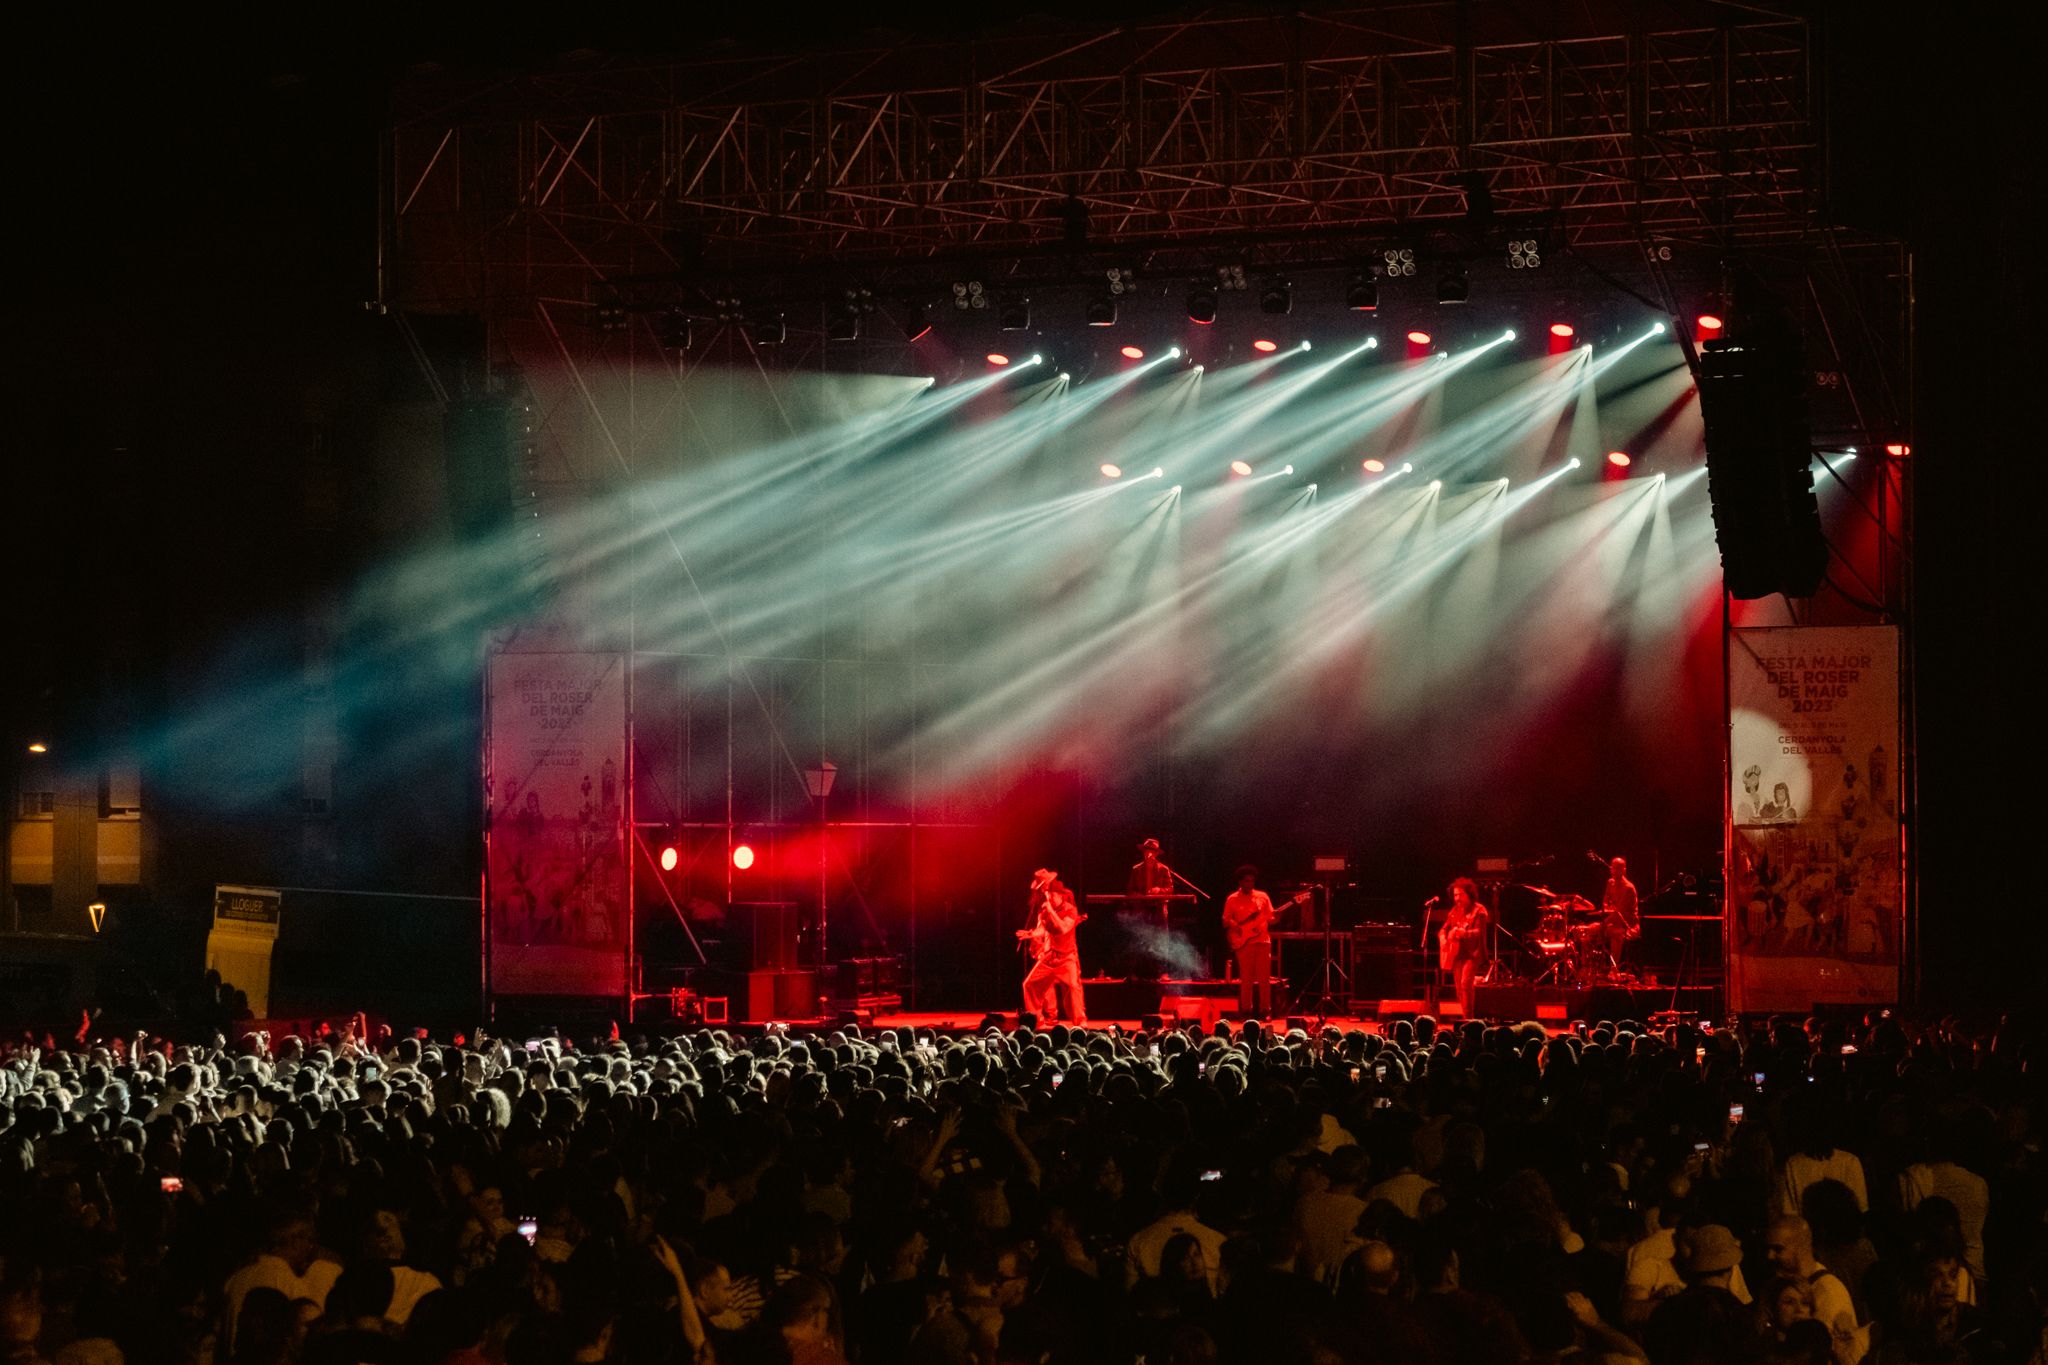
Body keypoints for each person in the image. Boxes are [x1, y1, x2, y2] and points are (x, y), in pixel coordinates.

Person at [1018, 870, 1087, 1025]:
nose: (1049, 897)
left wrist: (1051, 911)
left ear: (1060, 895)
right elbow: (1041, 929)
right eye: (1048, 894)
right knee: (1029, 984)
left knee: (1074, 988)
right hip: (1049, 955)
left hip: (1066, 956)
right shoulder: (1043, 909)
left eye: (1052, 895)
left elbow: (1063, 928)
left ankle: (1080, 1022)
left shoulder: (1069, 908)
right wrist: (1029, 934)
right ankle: (1036, 1019)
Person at [1220, 866, 1275, 1018]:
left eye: (1252, 881)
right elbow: (1225, 920)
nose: (1250, 883)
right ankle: (1246, 1011)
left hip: (1263, 940)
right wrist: (1235, 925)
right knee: (1246, 979)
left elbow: (1271, 917)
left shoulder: (1262, 897)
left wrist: (1277, 916)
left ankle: (1265, 1010)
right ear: (1240, 882)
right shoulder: (1232, 899)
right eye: (1246, 881)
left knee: (1265, 979)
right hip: (1244, 942)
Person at [1436, 878, 1490, 1020]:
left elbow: (1479, 932)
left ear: (1469, 894)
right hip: (1457, 954)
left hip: (1473, 953)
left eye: (1461, 894)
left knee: (1465, 984)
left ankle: (1469, 1019)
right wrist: (1442, 939)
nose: (1457, 898)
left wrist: (1463, 933)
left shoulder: (1479, 910)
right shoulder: (1455, 911)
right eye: (1455, 895)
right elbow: (1443, 929)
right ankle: (1467, 1017)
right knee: (1459, 989)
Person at [1601, 857, 1639, 969]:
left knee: (1614, 933)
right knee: (1587, 932)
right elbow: (1605, 902)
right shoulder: (1610, 883)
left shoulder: (1628, 888)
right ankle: (1591, 968)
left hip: (1629, 926)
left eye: (1617, 868)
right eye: (1612, 868)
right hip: (1614, 921)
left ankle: (1614, 969)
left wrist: (1603, 924)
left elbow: (1620, 913)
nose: (1613, 871)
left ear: (1624, 870)